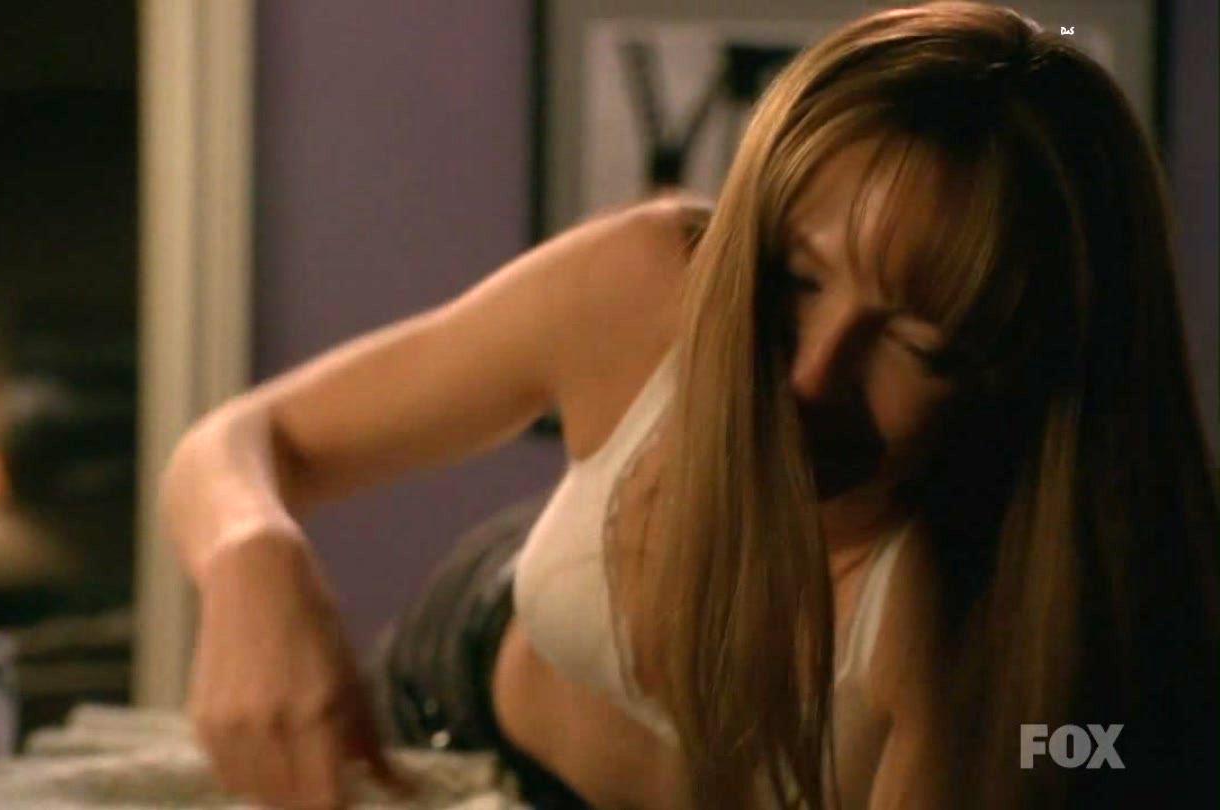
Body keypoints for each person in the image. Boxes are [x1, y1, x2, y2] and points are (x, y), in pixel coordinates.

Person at [159, 2, 1220, 808]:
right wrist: (255, 562)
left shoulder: (975, 636)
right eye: (795, 277)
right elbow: (241, 440)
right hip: (460, 698)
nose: (810, 378)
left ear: (1030, 390)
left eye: (916, 347)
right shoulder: (644, 281)